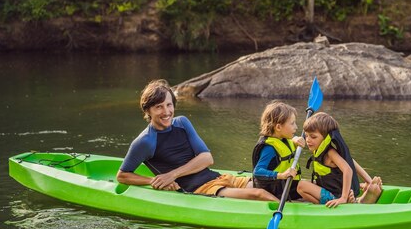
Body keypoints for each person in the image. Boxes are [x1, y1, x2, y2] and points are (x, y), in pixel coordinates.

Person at [116, 79, 277, 201]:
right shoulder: (145, 141)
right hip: (200, 189)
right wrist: (153, 180)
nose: (166, 112)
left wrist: (172, 175)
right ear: (148, 110)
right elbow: (122, 175)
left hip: (218, 178)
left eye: (169, 105)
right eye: (159, 107)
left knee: (271, 187)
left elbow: (207, 158)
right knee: (260, 194)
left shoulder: (182, 123)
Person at [297, 112, 382, 208]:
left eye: (313, 137)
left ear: (325, 138)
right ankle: (357, 200)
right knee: (305, 182)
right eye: (306, 136)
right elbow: (351, 161)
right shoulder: (319, 150)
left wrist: (343, 197)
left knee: (301, 186)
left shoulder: (330, 153)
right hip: (331, 189)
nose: (308, 140)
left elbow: (348, 170)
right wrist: (369, 181)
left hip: (336, 195)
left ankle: (341, 204)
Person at [251, 101, 305, 200]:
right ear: (278, 127)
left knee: (312, 184)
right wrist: (281, 175)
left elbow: (285, 148)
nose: (296, 127)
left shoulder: (283, 139)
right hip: (276, 190)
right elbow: (257, 172)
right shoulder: (269, 148)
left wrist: (295, 140)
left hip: (287, 186)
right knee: (307, 186)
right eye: (292, 124)